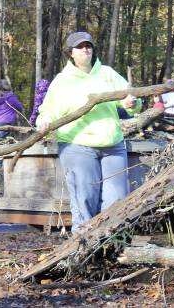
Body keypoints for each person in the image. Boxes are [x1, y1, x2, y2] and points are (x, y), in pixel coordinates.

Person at [35, 31, 141, 233]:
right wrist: (45, 121)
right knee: (85, 199)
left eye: (88, 46)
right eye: (80, 47)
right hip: (77, 146)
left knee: (116, 200)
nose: (85, 49)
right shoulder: (62, 81)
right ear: (71, 53)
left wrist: (131, 103)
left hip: (113, 146)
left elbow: (133, 102)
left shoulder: (107, 74)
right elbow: (47, 110)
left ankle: (110, 244)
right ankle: (82, 246)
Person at [0, 79, 24, 167]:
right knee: (2, 145)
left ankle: (1, 164)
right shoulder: (10, 97)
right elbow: (19, 107)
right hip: (5, 123)